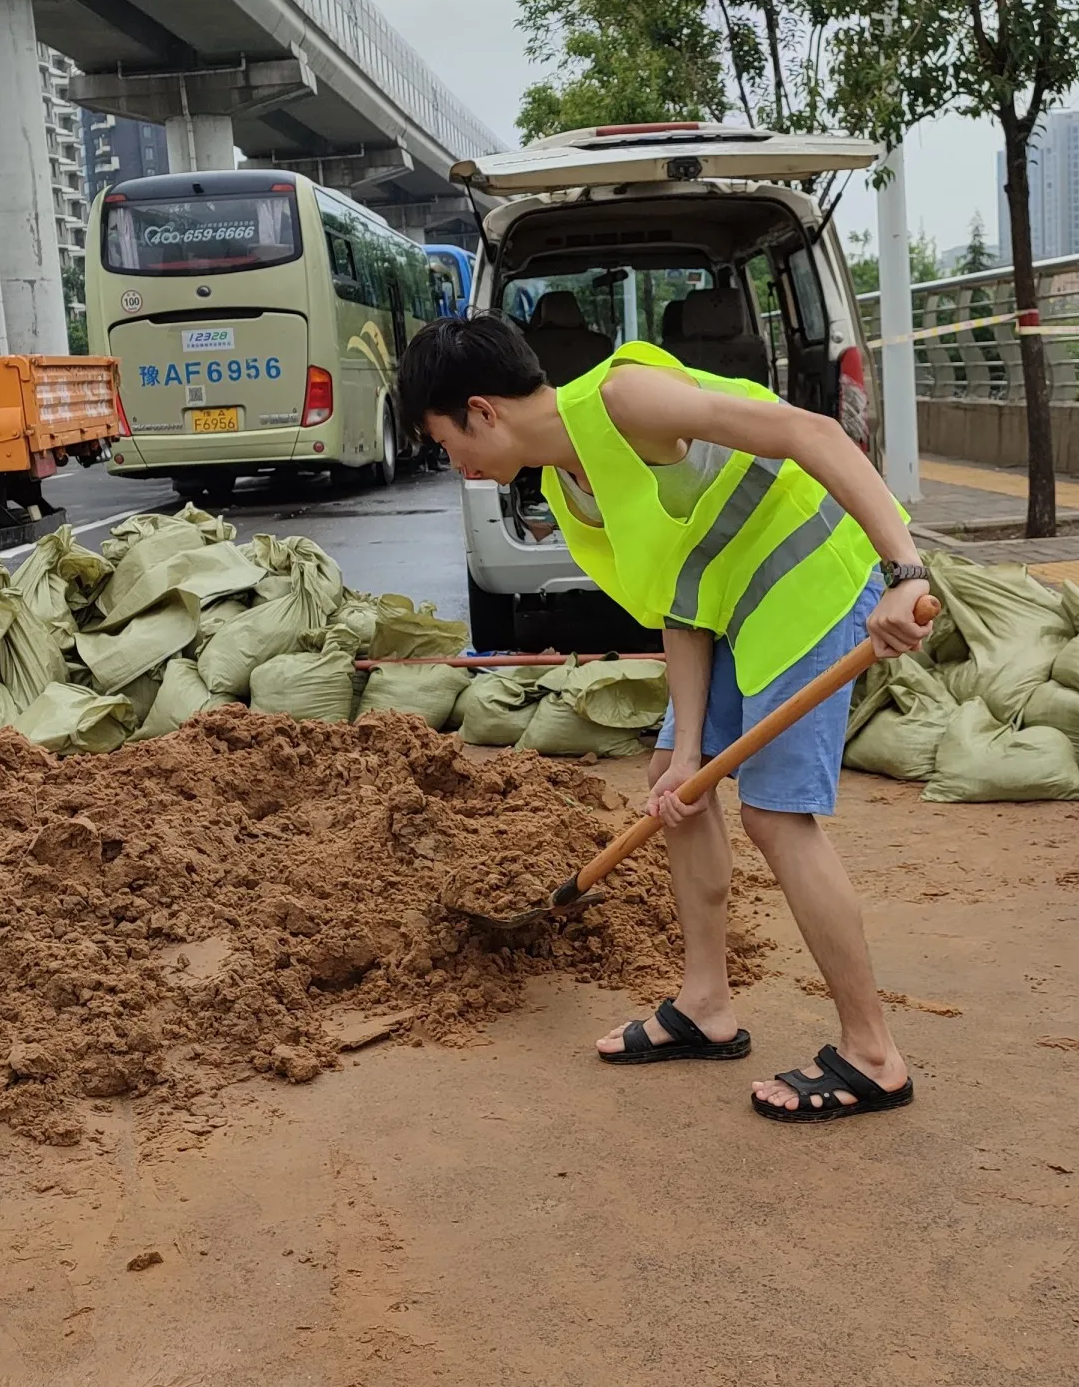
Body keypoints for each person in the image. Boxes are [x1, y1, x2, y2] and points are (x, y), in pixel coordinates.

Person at [397, 312, 932, 1125]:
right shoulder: (566, 486)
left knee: (775, 815)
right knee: (672, 783)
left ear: (480, 410)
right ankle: (706, 1004)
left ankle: (873, 1054)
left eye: (444, 444)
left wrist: (905, 570)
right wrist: (685, 753)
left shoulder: (624, 400)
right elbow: (678, 599)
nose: (455, 466)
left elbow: (811, 431)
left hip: (811, 579)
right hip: (735, 610)